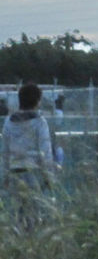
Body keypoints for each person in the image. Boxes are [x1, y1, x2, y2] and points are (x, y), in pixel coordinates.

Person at [3, 82, 55, 228]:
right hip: (34, 172)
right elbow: (45, 151)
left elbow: (5, 151)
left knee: (18, 214)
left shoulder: (9, 121)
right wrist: (49, 176)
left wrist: (5, 175)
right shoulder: (40, 121)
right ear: (38, 101)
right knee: (34, 214)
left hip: (15, 173)